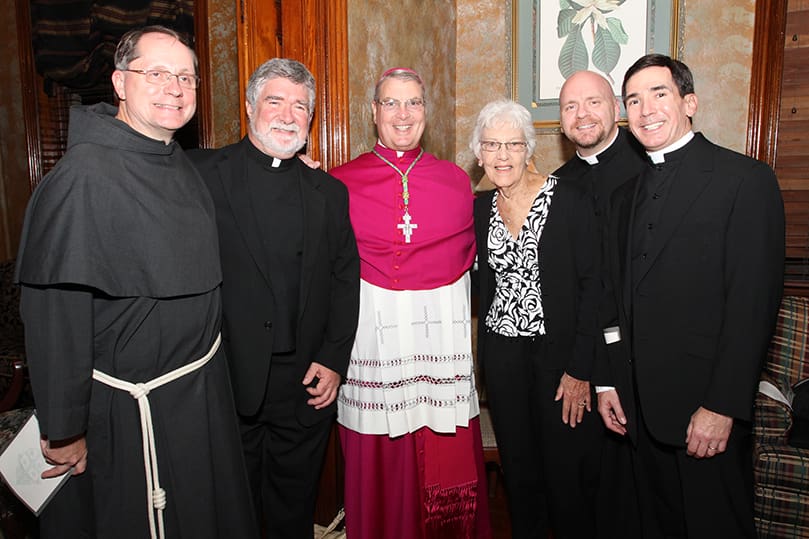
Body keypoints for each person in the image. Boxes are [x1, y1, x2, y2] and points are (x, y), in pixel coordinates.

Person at [14, 26, 258, 539]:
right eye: (158, 74)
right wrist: (63, 428)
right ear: (120, 82)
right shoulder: (82, 177)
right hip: (130, 411)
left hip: (196, 394)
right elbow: (54, 309)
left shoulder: (177, 160)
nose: (175, 87)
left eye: (187, 77)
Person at [597, 53, 785, 538]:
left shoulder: (745, 180)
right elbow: (614, 301)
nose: (645, 110)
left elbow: (752, 306)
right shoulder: (623, 197)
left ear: (690, 102)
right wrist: (609, 382)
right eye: (633, 100)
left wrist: (722, 406)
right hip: (639, 414)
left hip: (706, 414)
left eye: (659, 94)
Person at [188, 58, 360, 538]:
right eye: (275, 101)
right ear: (249, 107)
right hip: (226, 378)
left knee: (292, 509)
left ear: (311, 120)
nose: (288, 115)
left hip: (305, 382)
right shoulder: (201, 173)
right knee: (230, 510)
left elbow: (347, 278)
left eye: (301, 106)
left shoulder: (329, 191)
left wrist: (333, 359)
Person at [330, 67, 490, 539]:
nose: (403, 114)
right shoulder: (339, 184)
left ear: (426, 111)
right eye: (392, 103)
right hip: (375, 354)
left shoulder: (456, 182)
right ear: (373, 112)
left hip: (439, 346)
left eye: (414, 103)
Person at [471, 99, 602, 539]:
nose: (502, 155)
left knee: (566, 473)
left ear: (529, 149)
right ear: (479, 153)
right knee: (519, 469)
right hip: (502, 353)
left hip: (559, 357)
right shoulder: (479, 207)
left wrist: (581, 368)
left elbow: (593, 288)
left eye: (512, 144)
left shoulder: (570, 199)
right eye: (492, 144)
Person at [554, 69, 647, 536]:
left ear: (616, 109)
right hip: (580, 353)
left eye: (593, 102)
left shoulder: (648, 162)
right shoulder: (557, 182)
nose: (582, 114)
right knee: (582, 484)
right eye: (570, 107)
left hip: (639, 356)